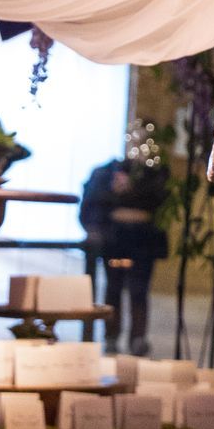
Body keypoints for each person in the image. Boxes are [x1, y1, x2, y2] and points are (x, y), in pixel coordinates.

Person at [79, 143, 169, 355]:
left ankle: (138, 338)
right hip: (116, 241)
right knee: (114, 287)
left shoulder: (154, 174)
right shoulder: (106, 173)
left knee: (139, 289)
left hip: (142, 242)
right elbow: (93, 202)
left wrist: (132, 190)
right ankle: (111, 336)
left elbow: (159, 199)